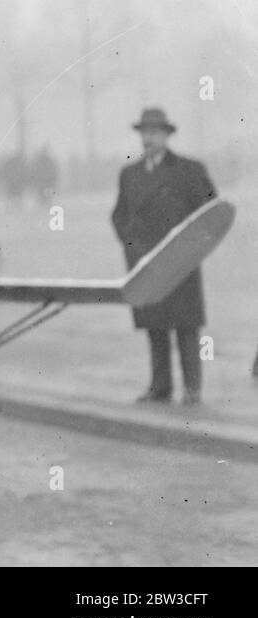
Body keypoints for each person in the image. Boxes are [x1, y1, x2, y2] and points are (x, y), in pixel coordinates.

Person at [111, 108, 217, 406]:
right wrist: (132, 247)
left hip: (181, 262)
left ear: (167, 135)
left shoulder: (189, 170)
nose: (148, 138)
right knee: (155, 327)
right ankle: (160, 388)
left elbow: (211, 213)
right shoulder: (129, 175)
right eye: (144, 132)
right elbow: (119, 216)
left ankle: (192, 389)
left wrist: (193, 248)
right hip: (146, 264)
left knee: (186, 326)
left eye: (155, 132)